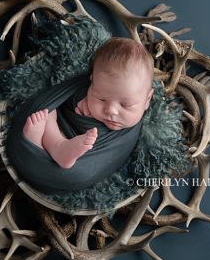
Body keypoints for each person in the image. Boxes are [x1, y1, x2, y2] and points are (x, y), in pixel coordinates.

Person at [21, 36, 154, 169]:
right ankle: (46, 144)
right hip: (61, 133)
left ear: (147, 100)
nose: (111, 111)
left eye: (126, 105)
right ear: (92, 81)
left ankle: (50, 147)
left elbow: (109, 156)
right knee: (49, 112)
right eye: (101, 98)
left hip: (85, 158)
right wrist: (79, 103)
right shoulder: (83, 94)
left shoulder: (133, 131)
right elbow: (64, 100)